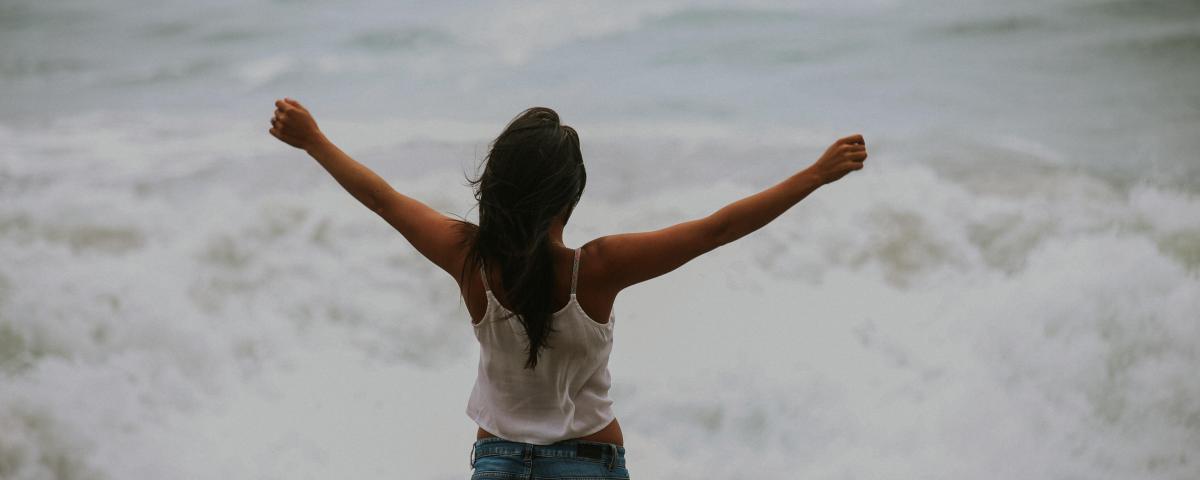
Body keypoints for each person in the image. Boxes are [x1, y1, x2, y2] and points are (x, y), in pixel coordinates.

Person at [268, 99, 868, 478]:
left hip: (497, 462)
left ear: (496, 188)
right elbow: (718, 228)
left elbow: (382, 198)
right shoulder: (598, 268)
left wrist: (313, 140)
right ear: (570, 196)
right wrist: (815, 174)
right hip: (587, 463)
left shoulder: (469, 258)